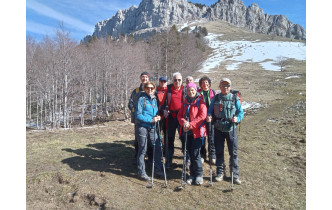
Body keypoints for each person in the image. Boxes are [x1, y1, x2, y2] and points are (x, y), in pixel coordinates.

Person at [206, 78, 244, 184]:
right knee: (219, 152)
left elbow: (241, 112)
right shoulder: (216, 98)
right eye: (223, 86)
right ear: (220, 87)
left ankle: (234, 175)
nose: (225, 88)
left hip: (231, 129)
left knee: (233, 153)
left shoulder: (234, 98)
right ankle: (220, 173)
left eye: (227, 86)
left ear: (230, 87)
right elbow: (210, 110)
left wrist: (238, 118)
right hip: (218, 129)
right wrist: (209, 116)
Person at [177, 82, 207, 185]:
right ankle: (192, 175)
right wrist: (183, 122)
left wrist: (190, 124)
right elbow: (179, 115)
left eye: (192, 90)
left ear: (196, 90)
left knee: (196, 154)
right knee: (189, 153)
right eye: (189, 90)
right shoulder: (185, 102)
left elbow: (202, 116)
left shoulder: (200, 102)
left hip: (197, 133)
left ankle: (199, 175)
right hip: (187, 133)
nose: (191, 92)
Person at [135, 81, 164, 180]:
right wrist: (151, 120)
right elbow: (138, 115)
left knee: (157, 147)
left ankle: (157, 169)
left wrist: (157, 117)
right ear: (145, 88)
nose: (150, 89)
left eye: (152, 88)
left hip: (152, 127)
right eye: (148, 87)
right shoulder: (141, 99)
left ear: (154, 89)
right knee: (143, 149)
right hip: (142, 127)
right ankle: (141, 172)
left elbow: (155, 112)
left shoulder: (154, 100)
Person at [163, 72, 186, 168]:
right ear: (172, 80)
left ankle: (187, 161)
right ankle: (168, 161)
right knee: (169, 139)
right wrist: (164, 110)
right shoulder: (168, 90)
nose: (177, 82)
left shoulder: (185, 90)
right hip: (171, 117)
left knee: (184, 139)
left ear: (182, 81)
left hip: (182, 118)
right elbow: (163, 104)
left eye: (179, 80)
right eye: (175, 80)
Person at [128, 72, 152, 163]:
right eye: (142, 77)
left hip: (150, 119)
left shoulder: (151, 89)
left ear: (148, 79)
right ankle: (137, 157)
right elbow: (130, 104)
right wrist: (136, 111)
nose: (144, 79)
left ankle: (150, 157)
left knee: (150, 139)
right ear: (140, 78)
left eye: (146, 77)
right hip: (138, 120)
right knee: (138, 139)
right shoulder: (136, 91)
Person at [197, 76, 217, 165]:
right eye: (203, 82)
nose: (205, 84)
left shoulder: (213, 93)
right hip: (201, 118)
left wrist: (212, 116)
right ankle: (202, 155)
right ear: (200, 84)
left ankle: (212, 155)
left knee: (211, 137)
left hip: (211, 118)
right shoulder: (198, 93)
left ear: (209, 83)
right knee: (202, 137)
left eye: (206, 82)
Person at [155, 76, 168, 152]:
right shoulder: (155, 90)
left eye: (164, 81)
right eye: (161, 81)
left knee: (166, 132)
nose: (163, 83)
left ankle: (166, 149)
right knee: (158, 132)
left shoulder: (169, 90)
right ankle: (158, 148)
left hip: (167, 115)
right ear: (159, 82)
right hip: (158, 114)